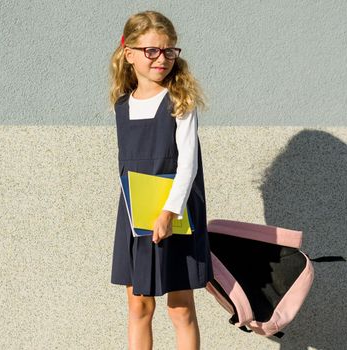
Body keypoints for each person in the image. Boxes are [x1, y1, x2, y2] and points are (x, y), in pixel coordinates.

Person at [107, 10, 213, 350]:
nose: (161, 58)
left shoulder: (180, 101)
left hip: (175, 213)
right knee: (139, 305)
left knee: (180, 309)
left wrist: (169, 211)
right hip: (136, 216)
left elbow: (188, 165)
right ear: (130, 53)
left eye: (169, 50)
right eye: (152, 50)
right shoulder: (122, 105)